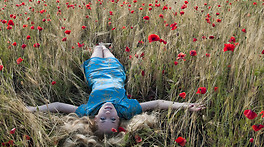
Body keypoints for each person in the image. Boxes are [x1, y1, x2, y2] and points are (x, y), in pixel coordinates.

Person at [26, 43, 204, 136]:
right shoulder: (127, 109)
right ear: (119, 119)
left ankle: (100, 45)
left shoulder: (88, 110)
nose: (108, 113)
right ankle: (105, 46)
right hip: (115, 72)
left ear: (95, 118)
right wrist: (185, 105)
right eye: (112, 119)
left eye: (103, 118)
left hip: (95, 72)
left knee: (97, 49)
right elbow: (157, 103)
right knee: (108, 52)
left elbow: (57, 106)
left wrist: (33, 110)